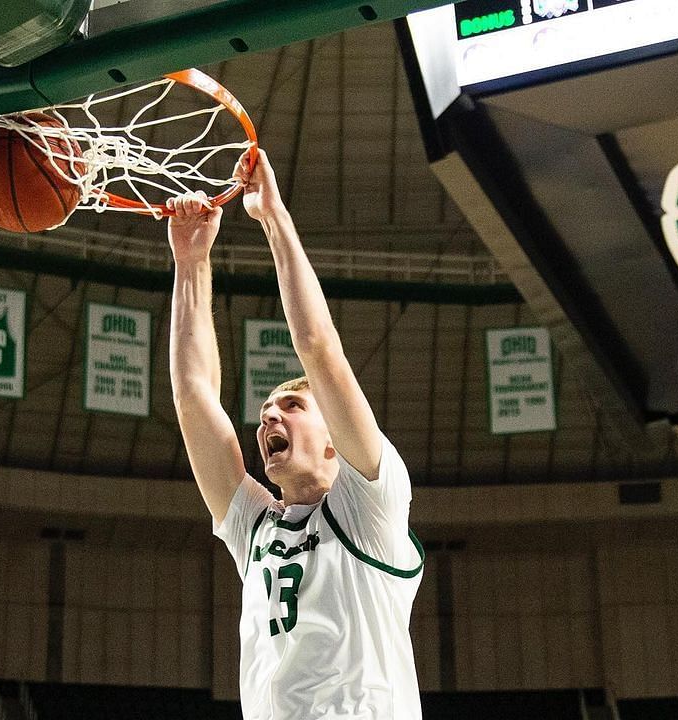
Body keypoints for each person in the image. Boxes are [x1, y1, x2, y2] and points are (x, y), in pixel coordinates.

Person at [166, 148, 425, 720]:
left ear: (335, 439)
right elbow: (193, 398)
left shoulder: (370, 506)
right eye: (265, 410)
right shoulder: (255, 527)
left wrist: (272, 218)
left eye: (291, 406)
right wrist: (191, 262)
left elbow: (318, 349)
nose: (269, 417)